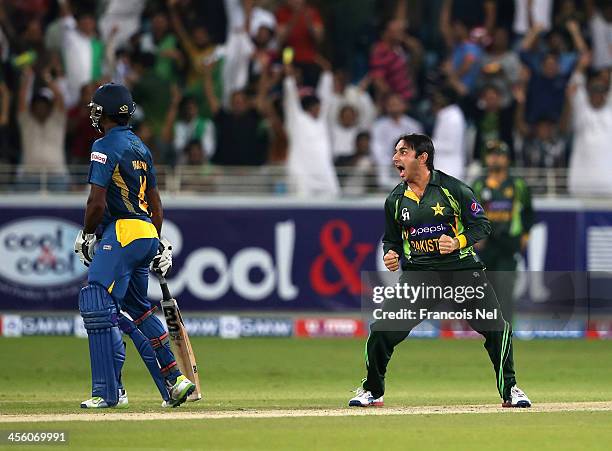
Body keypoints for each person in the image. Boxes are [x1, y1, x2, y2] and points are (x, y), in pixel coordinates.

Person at [348, 133, 531, 409]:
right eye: (396, 152)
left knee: (497, 328)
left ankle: (511, 389)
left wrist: (458, 241)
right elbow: (392, 238)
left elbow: (482, 225)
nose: (395, 158)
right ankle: (372, 390)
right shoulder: (395, 200)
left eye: (403, 152)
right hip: (421, 276)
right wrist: (391, 253)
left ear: (422, 158)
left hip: (463, 271)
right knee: (382, 330)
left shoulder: (453, 189)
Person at [74, 83, 195, 408]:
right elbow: (156, 208)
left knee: (97, 303)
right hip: (144, 231)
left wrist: (87, 234)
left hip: (122, 231)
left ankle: (108, 392)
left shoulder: (103, 145)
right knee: (140, 309)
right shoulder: (141, 147)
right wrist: (157, 243)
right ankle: (175, 379)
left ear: (102, 113)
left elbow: (96, 203)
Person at [472, 140, 534, 321]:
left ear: (507, 159)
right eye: (491, 154)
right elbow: (468, 213)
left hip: (509, 242)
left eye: (498, 154)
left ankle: (506, 331)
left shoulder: (517, 184)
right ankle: (491, 331)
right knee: (488, 290)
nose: (494, 158)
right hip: (488, 243)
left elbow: (529, 212)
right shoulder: (479, 184)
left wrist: (525, 235)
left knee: (505, 287)